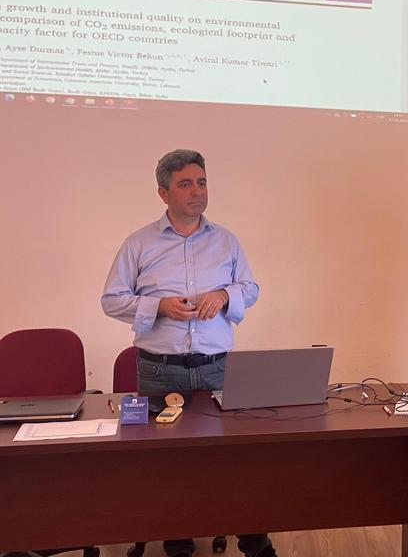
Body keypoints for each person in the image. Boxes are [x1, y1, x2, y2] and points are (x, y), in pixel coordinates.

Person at [101, 149, 276, 557]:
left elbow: (250, 288)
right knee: (170, 465)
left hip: (219, 368)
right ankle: (178, 544)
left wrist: (224, 294)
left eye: (202, 182)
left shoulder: (226, 240)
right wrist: (159, 306)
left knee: (237, 462)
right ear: (163, 193)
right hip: (161, 371)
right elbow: (111, 300)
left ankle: (255, 542)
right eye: (185, 184)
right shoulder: (139, 243)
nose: (197, 191)